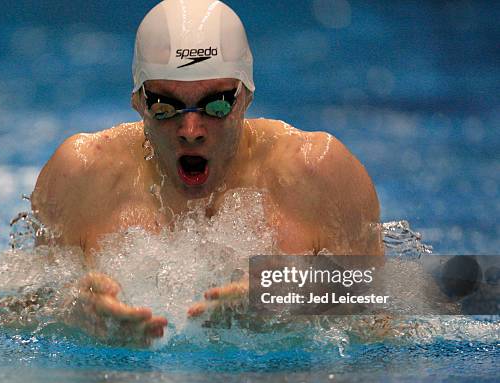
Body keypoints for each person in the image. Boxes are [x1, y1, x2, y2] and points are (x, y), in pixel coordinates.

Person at [29, 0, 383, 345]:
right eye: (165, 105)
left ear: (245, 96)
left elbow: (404, 307)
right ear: (138, 101)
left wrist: (286, 294)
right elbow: (11, 311)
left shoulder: (317, 169)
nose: (191, 129)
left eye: (217, 103)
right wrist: (74, 313)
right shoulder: (81, 175)